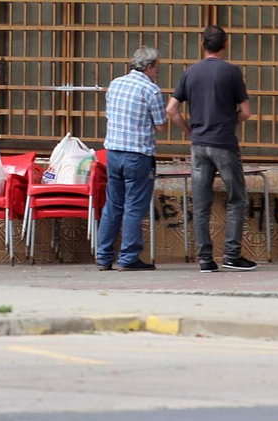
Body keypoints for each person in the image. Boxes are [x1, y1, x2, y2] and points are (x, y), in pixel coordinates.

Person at [167, 25, 255, 273]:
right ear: (225, 45)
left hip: (199, 146)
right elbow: (246, 112)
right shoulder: (232, 73)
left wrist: (190, 131)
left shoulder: (190, 73)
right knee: (237, 198)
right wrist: (229, 121)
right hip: (224, 144)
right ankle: (231, 254)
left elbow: (171, 110)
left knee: (202, 203)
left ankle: (205, 259)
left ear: (202, 45)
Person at [96, 46, 169, 272]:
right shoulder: (151, 90)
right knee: (134, 207)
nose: (157, 72)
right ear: (149, 67)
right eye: (157, 67)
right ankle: (128, 258)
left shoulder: (116, 84)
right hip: (137, 155)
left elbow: (111, 115)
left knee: (113, 204)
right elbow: (161, 126)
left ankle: (104, 256)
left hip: (113, 153)